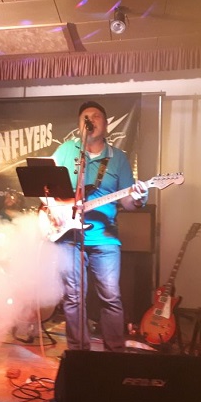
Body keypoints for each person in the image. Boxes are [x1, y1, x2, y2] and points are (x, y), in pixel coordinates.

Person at [44, 100, 148, 352]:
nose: (90, 120)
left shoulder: (118, 158)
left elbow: (128, 202)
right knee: (73, 297)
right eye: (85, 117)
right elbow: (44, 187)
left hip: (105, 237)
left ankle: (114, 353)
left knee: (111, 297)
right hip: (68, 236)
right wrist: (52, 210)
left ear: (106, 125)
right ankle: (78, 354)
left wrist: (138, 198)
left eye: (96, 116)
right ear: (79, 124)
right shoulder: (66, 150)